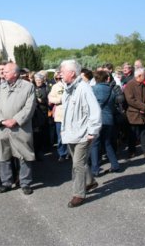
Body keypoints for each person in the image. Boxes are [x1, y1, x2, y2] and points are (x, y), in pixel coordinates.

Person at [60, 59, 102, 208]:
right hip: (71, 133)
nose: (60, 73)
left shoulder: (84, 88)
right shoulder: (68, 87)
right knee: (80, 162)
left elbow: (95, 110)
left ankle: (78, 194)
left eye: (62, 71)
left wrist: (92, 131)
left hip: (84, 134)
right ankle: (90, 182)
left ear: (72, 73)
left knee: (77, 164)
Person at [0, 62, 36, 195]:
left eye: (5, 71)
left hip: (20, 128)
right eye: (2, 71)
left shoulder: (28, 87)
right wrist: (1, 120)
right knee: (4, 155)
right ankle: (6, 182)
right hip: (3, 128)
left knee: (24, 155)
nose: (2, 73)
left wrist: (15, 120)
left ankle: (25, 182)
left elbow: (29, 107)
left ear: (15, 73)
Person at [90, 70, 121, 176]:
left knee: (95, 144)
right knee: (107, 143)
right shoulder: (111, 91)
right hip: (109, 119)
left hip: (96, 120)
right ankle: (115, 164)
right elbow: (113, 105)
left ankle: (95, 169)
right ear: (106, 78)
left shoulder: (92, 89)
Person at [124, 68, 145, 159]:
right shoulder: (130, 85)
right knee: (132, 135)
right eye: (144, 75)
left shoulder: (144, 85)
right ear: (139, 76)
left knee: (144, 134)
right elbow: (130, 100)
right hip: (133, 115)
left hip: (143, 114)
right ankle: (131, 151)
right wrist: (142, 107)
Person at [48, 71, 69, 161]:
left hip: (70, 114)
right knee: (60, 136)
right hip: (60, 115)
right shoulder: (55, 87)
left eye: (62, 77)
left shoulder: (71, 85)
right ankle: (62, 153)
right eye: (59, 78)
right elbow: (51, 98)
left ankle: (70, 152)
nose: (61, 79)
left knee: (70, 135)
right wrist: (60, 99)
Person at [32, 72, 50, 161]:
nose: (38, 82)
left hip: (43, 112)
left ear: (42, 80)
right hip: (35, 113)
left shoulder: (46, 88)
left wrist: (42, 100)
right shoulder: (32, 88)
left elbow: (49, 100)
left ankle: (43, 149)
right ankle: (36, 152)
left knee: (43, 132)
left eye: (39, 80)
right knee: (36, 133)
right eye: (37, 80)